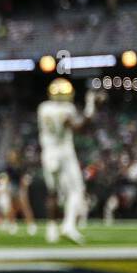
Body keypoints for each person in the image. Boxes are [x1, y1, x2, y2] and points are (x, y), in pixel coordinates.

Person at [37, 77, 96, 244]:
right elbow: (78, 127)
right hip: (64, 152)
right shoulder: (67, 108)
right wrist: (90, 107)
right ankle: (68, 225)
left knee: (52, 192)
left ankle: (51, 229)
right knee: (77, 189)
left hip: (48, 152)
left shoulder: (43, 108)